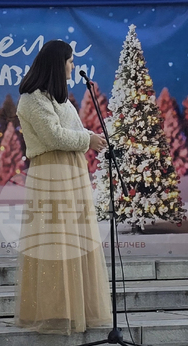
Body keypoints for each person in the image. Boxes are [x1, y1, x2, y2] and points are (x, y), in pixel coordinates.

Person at [14, 39, 113, 334]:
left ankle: (77, 308)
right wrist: (88, 140)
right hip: (51, 176)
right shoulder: (32, 99)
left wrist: (89, 136)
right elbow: (54, 137)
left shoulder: (58, 98)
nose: (73, 65)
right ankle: (54, 311)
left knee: (75, 240)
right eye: (70, 61)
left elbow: (70, 130)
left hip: (72, 172)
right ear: (58, 63)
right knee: (56, 242)